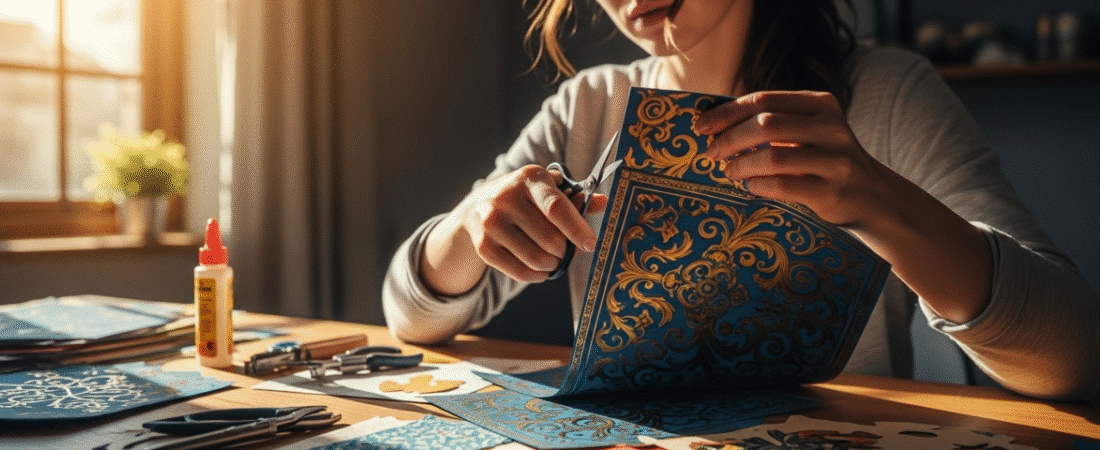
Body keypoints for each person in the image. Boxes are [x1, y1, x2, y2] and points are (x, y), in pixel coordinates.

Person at [382, 0, 1100, 401]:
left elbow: (1072, 359)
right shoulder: (588, 108)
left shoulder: (886, 95)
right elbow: (409, 315)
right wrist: (470, 223)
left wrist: (882, 202)